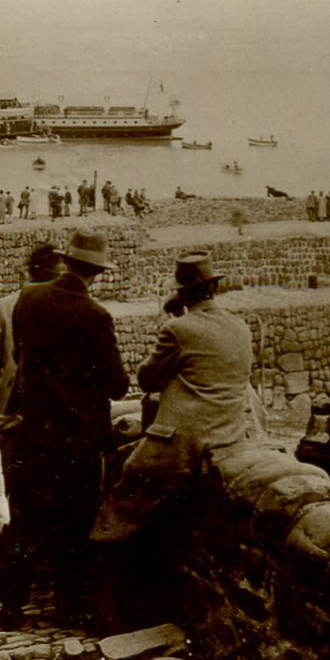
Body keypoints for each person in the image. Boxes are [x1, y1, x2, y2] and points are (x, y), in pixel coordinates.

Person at [91, 252, 253, 631]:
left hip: (183, 444)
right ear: (214, 286)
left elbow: (147, 379)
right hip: (230, 438)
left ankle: (113, 613)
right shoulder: (241, 327)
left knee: (118, 503)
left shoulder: (180, 330)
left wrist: (173, 320)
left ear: (183, 294)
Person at [0, 229, 130, 629]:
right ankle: (68, 608)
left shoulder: (28, 298)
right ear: (96, 272)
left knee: (24, 520)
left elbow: (20, 356)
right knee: (74, 524)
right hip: (77, 439)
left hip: (29, 431)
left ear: (67, 262)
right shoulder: (95, 316)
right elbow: (117, 384)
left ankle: (11, 607)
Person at [0, 243, 64, 417]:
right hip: (62, 403)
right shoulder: (77, 306)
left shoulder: (7, 305)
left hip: (16, 400)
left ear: (30, 273)